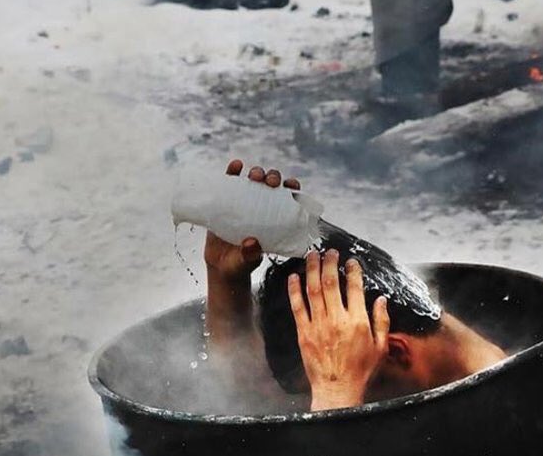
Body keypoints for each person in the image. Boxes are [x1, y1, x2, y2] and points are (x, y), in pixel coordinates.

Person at [204, 160, 505, 413]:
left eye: (324, 382)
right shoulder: (434, 370)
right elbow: (254, 400)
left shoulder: (500, 411)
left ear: (397, 351)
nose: (311, 406)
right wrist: (226, 283)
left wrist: (336, 397)